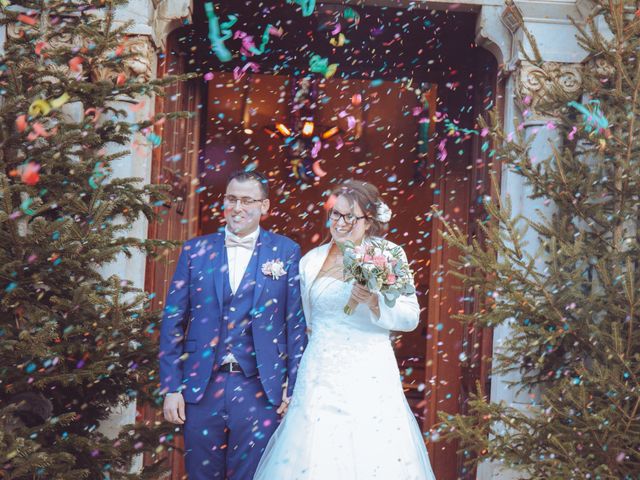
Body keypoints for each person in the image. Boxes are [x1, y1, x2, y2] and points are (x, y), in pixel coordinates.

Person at [254, 179, 435, 479]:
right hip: (320, 374)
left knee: (372, 456)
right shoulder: (310, 261)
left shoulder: (389, 255)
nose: (339, 223)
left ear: (369, 220)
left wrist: (376, 302)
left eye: (349, 216)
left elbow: (410, 317)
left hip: (370, 373)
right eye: (335, 214)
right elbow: (306, 324)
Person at [158, 170, 307, 480]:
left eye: (247, 200)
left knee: (250, 475)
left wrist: (292, 388)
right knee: (201, 474)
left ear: (265, 207)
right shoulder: (196, 250)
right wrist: (172, 387)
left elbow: (294, 323)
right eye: (231, 199)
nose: (237, 208)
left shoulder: (286, 251)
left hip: (259, 386)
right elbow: (173, 320)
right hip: (201, 385)